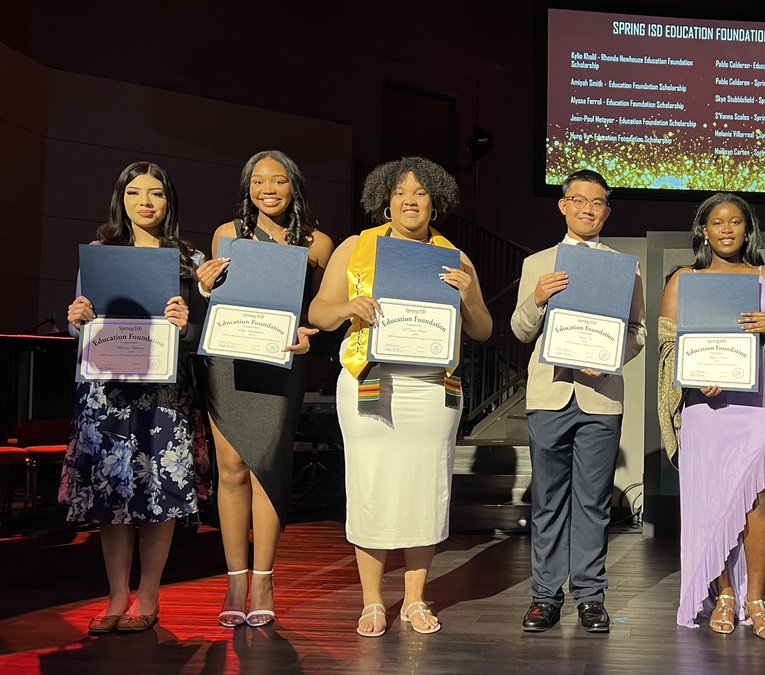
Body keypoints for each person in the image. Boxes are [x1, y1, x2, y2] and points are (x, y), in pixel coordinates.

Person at [308, 157, 492, 637]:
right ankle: (372, 602)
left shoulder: (453, 256)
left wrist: (469, 295)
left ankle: (413, 599)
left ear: (436, 199)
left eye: (420, 192)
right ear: (383, 199)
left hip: (431, 388)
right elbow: (321, 313)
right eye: (400, 192)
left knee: (424, 488)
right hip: (371, 380)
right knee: (371, 485)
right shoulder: (356, 247)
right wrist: (349, 306)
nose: (410, 201)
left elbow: (483, 328)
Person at [656, 193, 765, 639]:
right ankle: (723, 592)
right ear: (703, 231)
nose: (727, 229)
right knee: (713, 497)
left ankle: (756, 597)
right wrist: (693, 376)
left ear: (748, 230)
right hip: (706, 407)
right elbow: (669, 342)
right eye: (717, 222)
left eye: (736, 222)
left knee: (760, 495)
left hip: (758, 403)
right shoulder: (684, 279)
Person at [62, 162, 209, 634]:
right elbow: (78, 325)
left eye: (156, 194)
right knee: (113, 496)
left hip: (164, 393)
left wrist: (188, 324)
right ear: (120, 199)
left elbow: (204, 335)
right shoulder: (101, 253)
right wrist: (76, 317)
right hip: (108, 392)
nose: (145, 201)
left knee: (158, 495)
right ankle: (115, 597)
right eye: (134, 192)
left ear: (170, 203)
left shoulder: (189, 258)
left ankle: (149, 597)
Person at [195, 150, 332, 628]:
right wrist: (206, 287)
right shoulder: (226, 235)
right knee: (230, 468)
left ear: (294, 186)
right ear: (246, 187)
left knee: (268, 470)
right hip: (228, 360)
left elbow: (319, 310)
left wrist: (309, 335)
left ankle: (264, 578)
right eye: (258, 181)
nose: (267, 189)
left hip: (280, 362)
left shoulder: (318, 244)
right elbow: (219, 300)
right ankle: (235, 578)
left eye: (278, 180)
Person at [511, 169, 646, 634]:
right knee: (548, 501)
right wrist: (537, 298)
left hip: (600, 398)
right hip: (549, 395)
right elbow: (520, 330)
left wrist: (611, 358)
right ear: (563, 205)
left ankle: (590, 596)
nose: (589, 209)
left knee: (593, 502)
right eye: (580, 200)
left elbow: (638, 332)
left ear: (607, 211)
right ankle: (545, 597)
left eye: (599, 203)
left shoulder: (624, 265)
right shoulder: (538, 263)